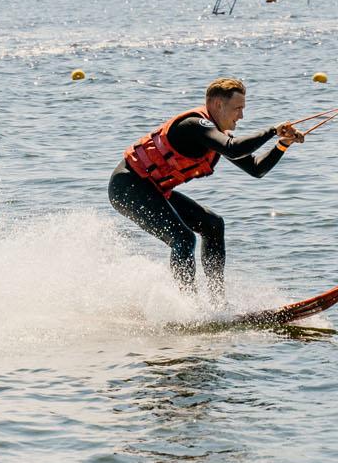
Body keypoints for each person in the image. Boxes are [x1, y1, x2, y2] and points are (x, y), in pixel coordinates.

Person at [108, 77, 302, 298]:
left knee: (213, 224)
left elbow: (256, 168)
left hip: (152, 189)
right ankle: (188, 307)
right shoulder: (194, 125)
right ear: (218, 105)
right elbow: (233, 148)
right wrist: (272, 131)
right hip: (127, 186)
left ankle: (216, 302)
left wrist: (283, 144)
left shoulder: (215, 137)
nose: (241, 116)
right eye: (237, 109)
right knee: (183, 238)